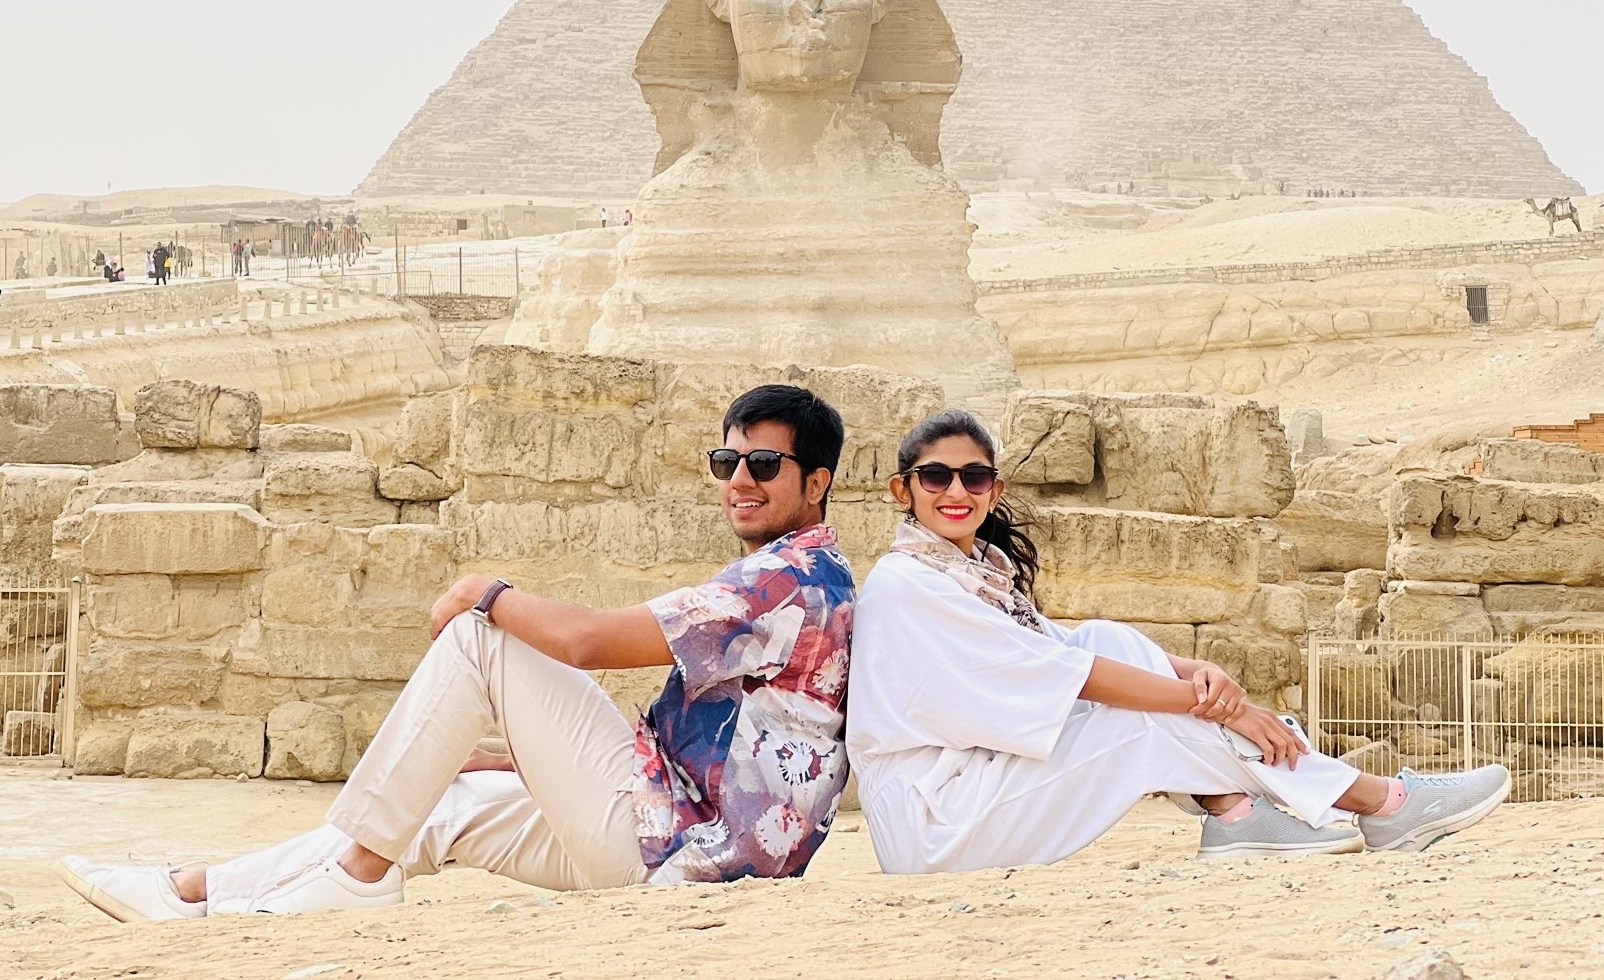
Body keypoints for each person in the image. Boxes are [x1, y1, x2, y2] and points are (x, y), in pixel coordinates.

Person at [58, 383, 855, 920]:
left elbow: (582, 643)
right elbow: (721, 745)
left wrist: (486, 589)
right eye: (725, 462)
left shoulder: (788, 580)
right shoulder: (803, 575)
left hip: (686, 858)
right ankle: (202, 895)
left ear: (816, 481)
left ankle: (358, 881)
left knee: (481, 635)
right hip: (684, 840)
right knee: (440, 805)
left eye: (762, 464)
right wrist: (520, 761)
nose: (738, 480)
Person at [846, 410, 1511, 874]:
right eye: (937, 478)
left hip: (969, 794)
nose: (956, 491)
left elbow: (1073, 650)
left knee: (1111, 643)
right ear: (903, 488)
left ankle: (1236, 811)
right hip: (936, 823)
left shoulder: (970, 573)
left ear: (996, 487)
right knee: (1144, 724)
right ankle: (1381, 802)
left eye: (975, 477)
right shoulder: (910, 586)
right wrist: (1227, 709)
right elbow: (1070, 681)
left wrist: (1196, 670)